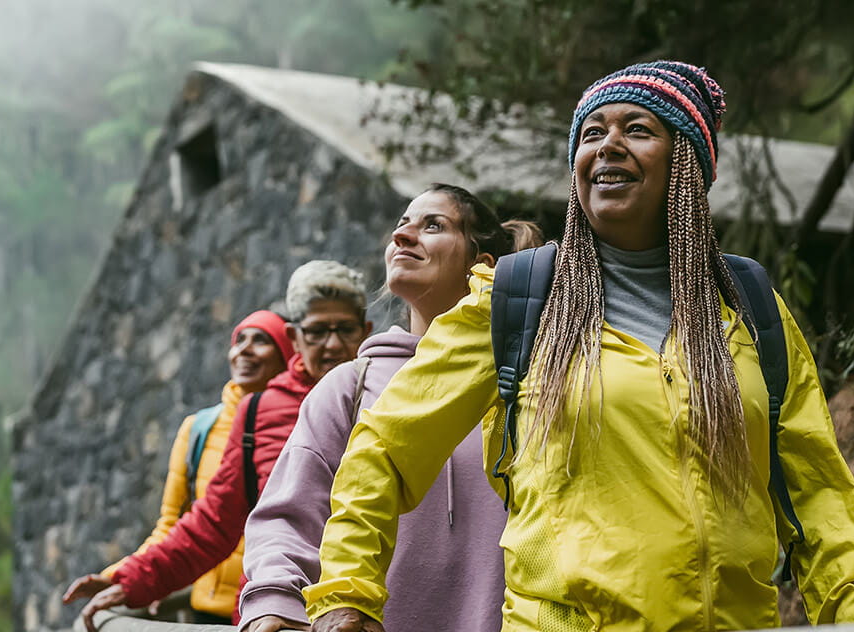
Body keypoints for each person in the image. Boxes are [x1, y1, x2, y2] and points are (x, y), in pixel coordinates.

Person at [304, 61, 854, 631]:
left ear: (687, 164)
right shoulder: (518, 300)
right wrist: (347, 594)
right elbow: (384, 448)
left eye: (636, 130)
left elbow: (819, 493)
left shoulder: (749, 307)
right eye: (592, 133)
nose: (607, 145)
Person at [240, 185, 542, 632]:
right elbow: (290, 514)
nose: (402, 237)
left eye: (432, 225)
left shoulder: (528, 380)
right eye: (401, 225)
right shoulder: (352, 385)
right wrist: (274, 598)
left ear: (483, 266)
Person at [70, 260, 373, 631]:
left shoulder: (389, 395)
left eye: (345, 329)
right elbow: (213, 523)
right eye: (317, 332)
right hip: (276, 613)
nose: (333, 344)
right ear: (294, 339)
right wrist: (131, 581)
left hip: (369, 609)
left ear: (366, 330)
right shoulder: (259, 412)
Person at [61, 309, 293, 623]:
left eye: (261, 340)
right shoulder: (198, 429)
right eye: (239, 340)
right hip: (204, 612)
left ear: (288, 352)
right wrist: (122, 577)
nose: (244, 350)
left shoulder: (305, 421)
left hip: (267, 610)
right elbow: (175, 524)